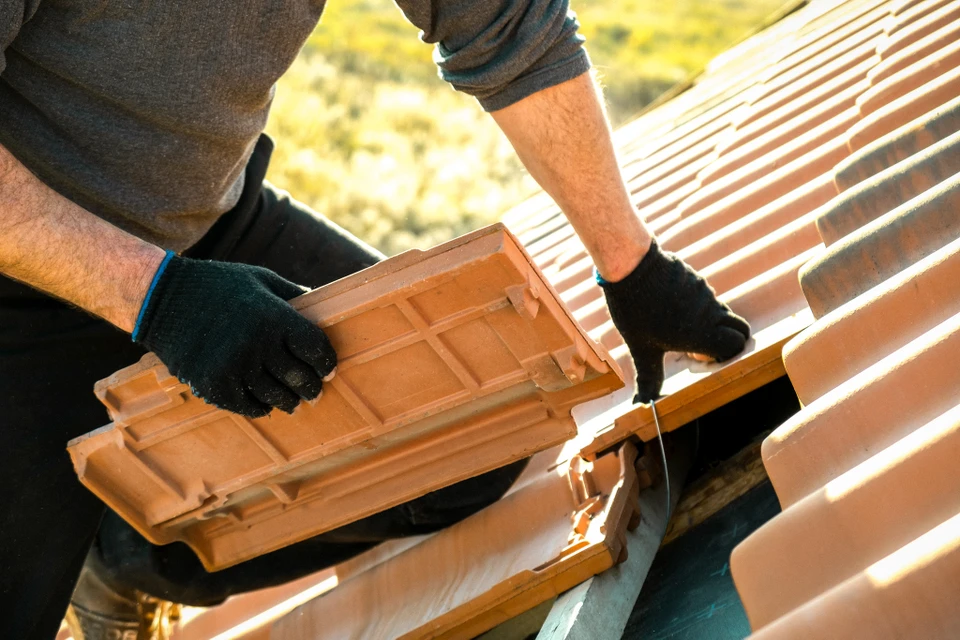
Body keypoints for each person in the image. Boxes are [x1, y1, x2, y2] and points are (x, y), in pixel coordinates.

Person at [0, 1, 750, 638]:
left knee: (467, 435)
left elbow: (508, 24)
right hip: (18, 279)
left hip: (205, 227)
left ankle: (127, 556)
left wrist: (631, 263)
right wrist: (156, 296)